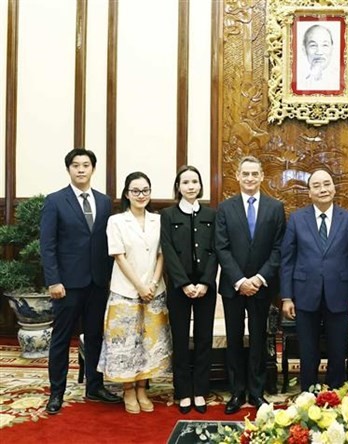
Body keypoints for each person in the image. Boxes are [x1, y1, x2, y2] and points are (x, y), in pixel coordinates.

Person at [40, 148, 122, 415]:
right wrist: (54, 280)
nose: (81, 170)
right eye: (75, 165)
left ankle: (95, 386)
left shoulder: (104, 201)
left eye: (86, 165)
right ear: (69, 170)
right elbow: (48, 244)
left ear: (93, 169)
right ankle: (56, 392)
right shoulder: (55, 201)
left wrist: (110, 278)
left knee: (96, 336)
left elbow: (109, 242)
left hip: (98, 282)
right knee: (61, 339)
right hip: (67, 284)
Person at [280, 169, 348, 391]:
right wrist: (287, 297)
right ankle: (308, 391)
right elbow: (287, 260)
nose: (323, 189)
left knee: (338, 349)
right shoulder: (297, 219)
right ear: (309, 193)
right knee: (308, 349)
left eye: (327, 184)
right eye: (316, 186)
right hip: (304, 293)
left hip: (340, 293)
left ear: (334, 188)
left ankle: (335, 390)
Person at [215, 156, 285, 414]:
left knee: (259, 339)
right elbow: (221, 247)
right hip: (233, 287)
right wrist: (240, 280)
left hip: (262, 287)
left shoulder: (275, 207)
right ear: (237, 175)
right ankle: (236, 392)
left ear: (262, 176)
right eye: (245, 174)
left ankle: (256, 393)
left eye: (254, 174)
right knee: (234, 339)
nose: (250, 178)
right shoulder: (225, 207)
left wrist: (258, 278)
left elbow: (278, 249)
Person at [97, 172, 172, 414]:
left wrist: (151, 283)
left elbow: (162, 255)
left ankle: (142, 388)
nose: (141, 195)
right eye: (136, 191)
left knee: (149, 343)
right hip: (125, 292)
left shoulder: (158, 220)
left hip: (154, 290)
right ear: (127, 194)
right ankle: (128, 389)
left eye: (145, 190)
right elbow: (119, 256)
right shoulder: (116, 221)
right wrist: (140, 286)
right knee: (126, 345)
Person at [160, 166, 218, 414]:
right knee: (181, 339)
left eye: (195, 181)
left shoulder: (211, 214)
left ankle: (201, 391)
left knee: (204, 339)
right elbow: (168, 251)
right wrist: (184, 284)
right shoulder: (168, 215)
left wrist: (205, 282)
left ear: (200, 186)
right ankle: (183, 392)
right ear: (178, 187)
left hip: (206, 286)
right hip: (178, 287)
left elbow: (216, 249)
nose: (191, 186)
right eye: (186, 182)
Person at [296, 24, 340, 91]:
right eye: (313, 45)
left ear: (332, 49)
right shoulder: (299, 84)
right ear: (304, 50)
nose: (319, 52)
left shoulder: (340, 83)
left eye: (325, 45)